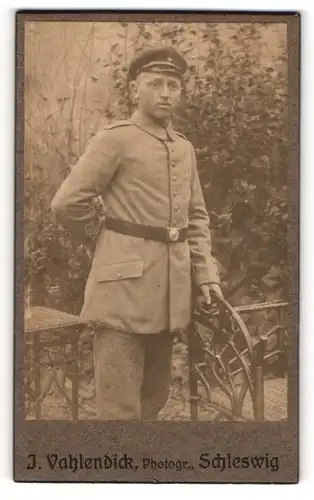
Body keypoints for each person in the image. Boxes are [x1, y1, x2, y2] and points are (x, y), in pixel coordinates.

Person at [51, 45, 223, 420]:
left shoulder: (184, 149)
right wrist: (104, 237)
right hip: (122, 293)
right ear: (134, 89)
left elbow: (196, 220)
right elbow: (67, 202)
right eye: (156, 83)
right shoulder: (115, 139)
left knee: (153, 403)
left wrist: (206, 275)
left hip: (169, 295)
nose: (166, 92)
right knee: (119, 412)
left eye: (173, 85)